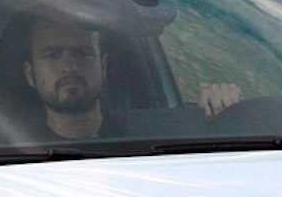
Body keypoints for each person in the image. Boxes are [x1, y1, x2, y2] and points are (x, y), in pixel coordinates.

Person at [20, 17, 241, 141]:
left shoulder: (152, 136)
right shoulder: (15, 148)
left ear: (103, 67)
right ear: (30, 75)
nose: (69, 66)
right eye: (52, 55)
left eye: (83, 53)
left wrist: (222, 112)